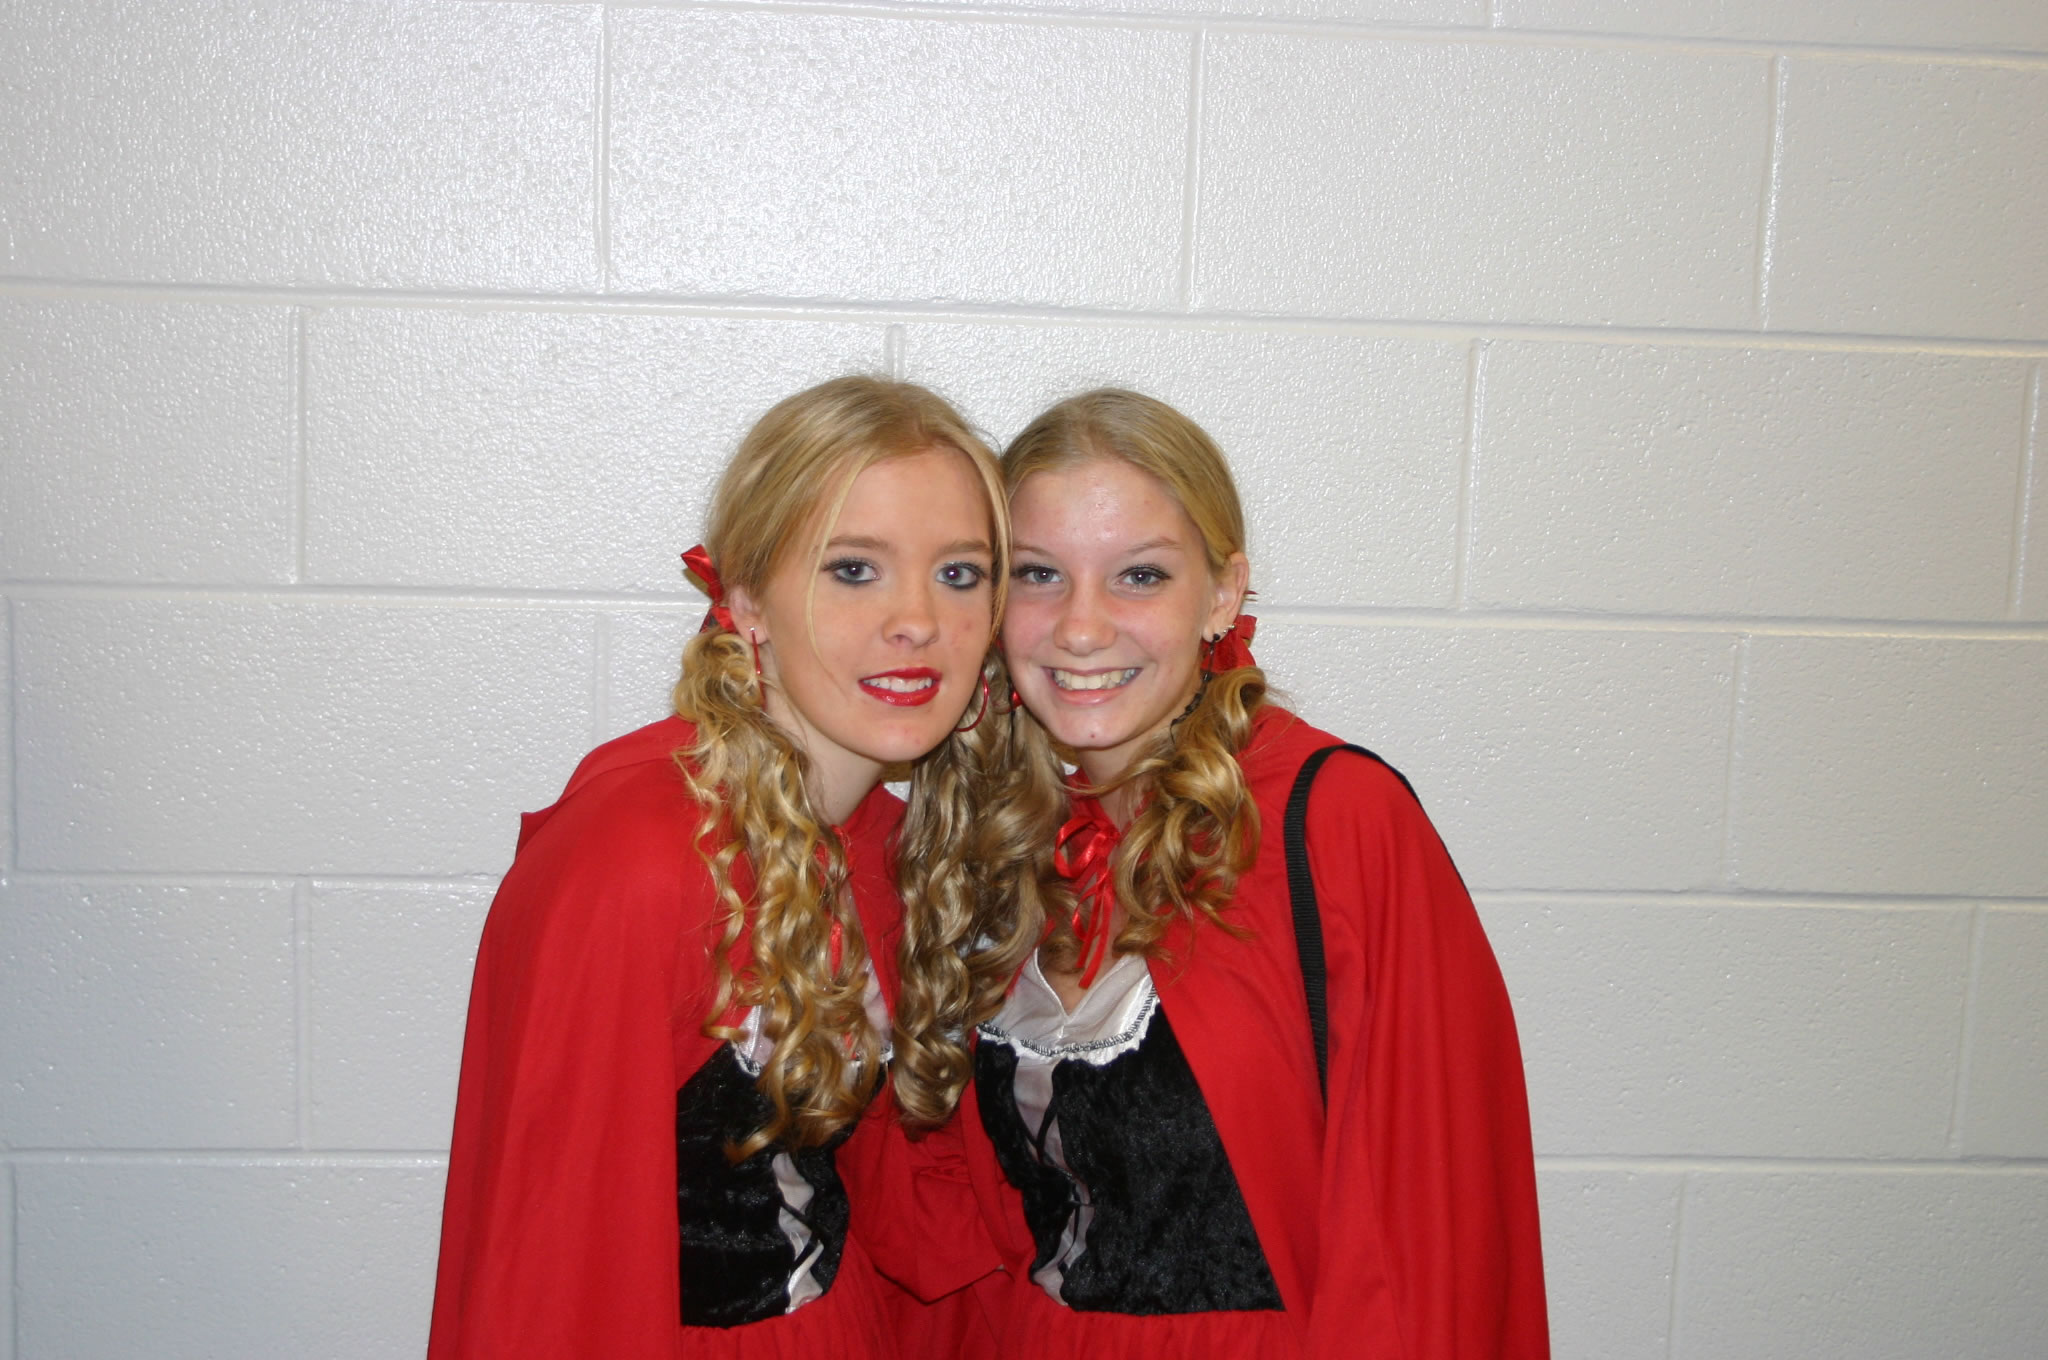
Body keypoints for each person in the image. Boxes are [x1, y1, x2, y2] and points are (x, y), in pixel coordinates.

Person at [912, 389, 1549, 1359]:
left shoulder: (1336, 821)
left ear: (1220, 594)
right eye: (1040, 574)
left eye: (1139, 575)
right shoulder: (993, 836)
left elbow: (1436, 1231)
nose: (1080, 628)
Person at [427, 376, 1009, 1358]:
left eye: (959, 573)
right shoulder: (635, 858)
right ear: (745, 600)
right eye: (854, 569)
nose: (916, 618)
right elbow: (546, 1268)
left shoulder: (884, 844)